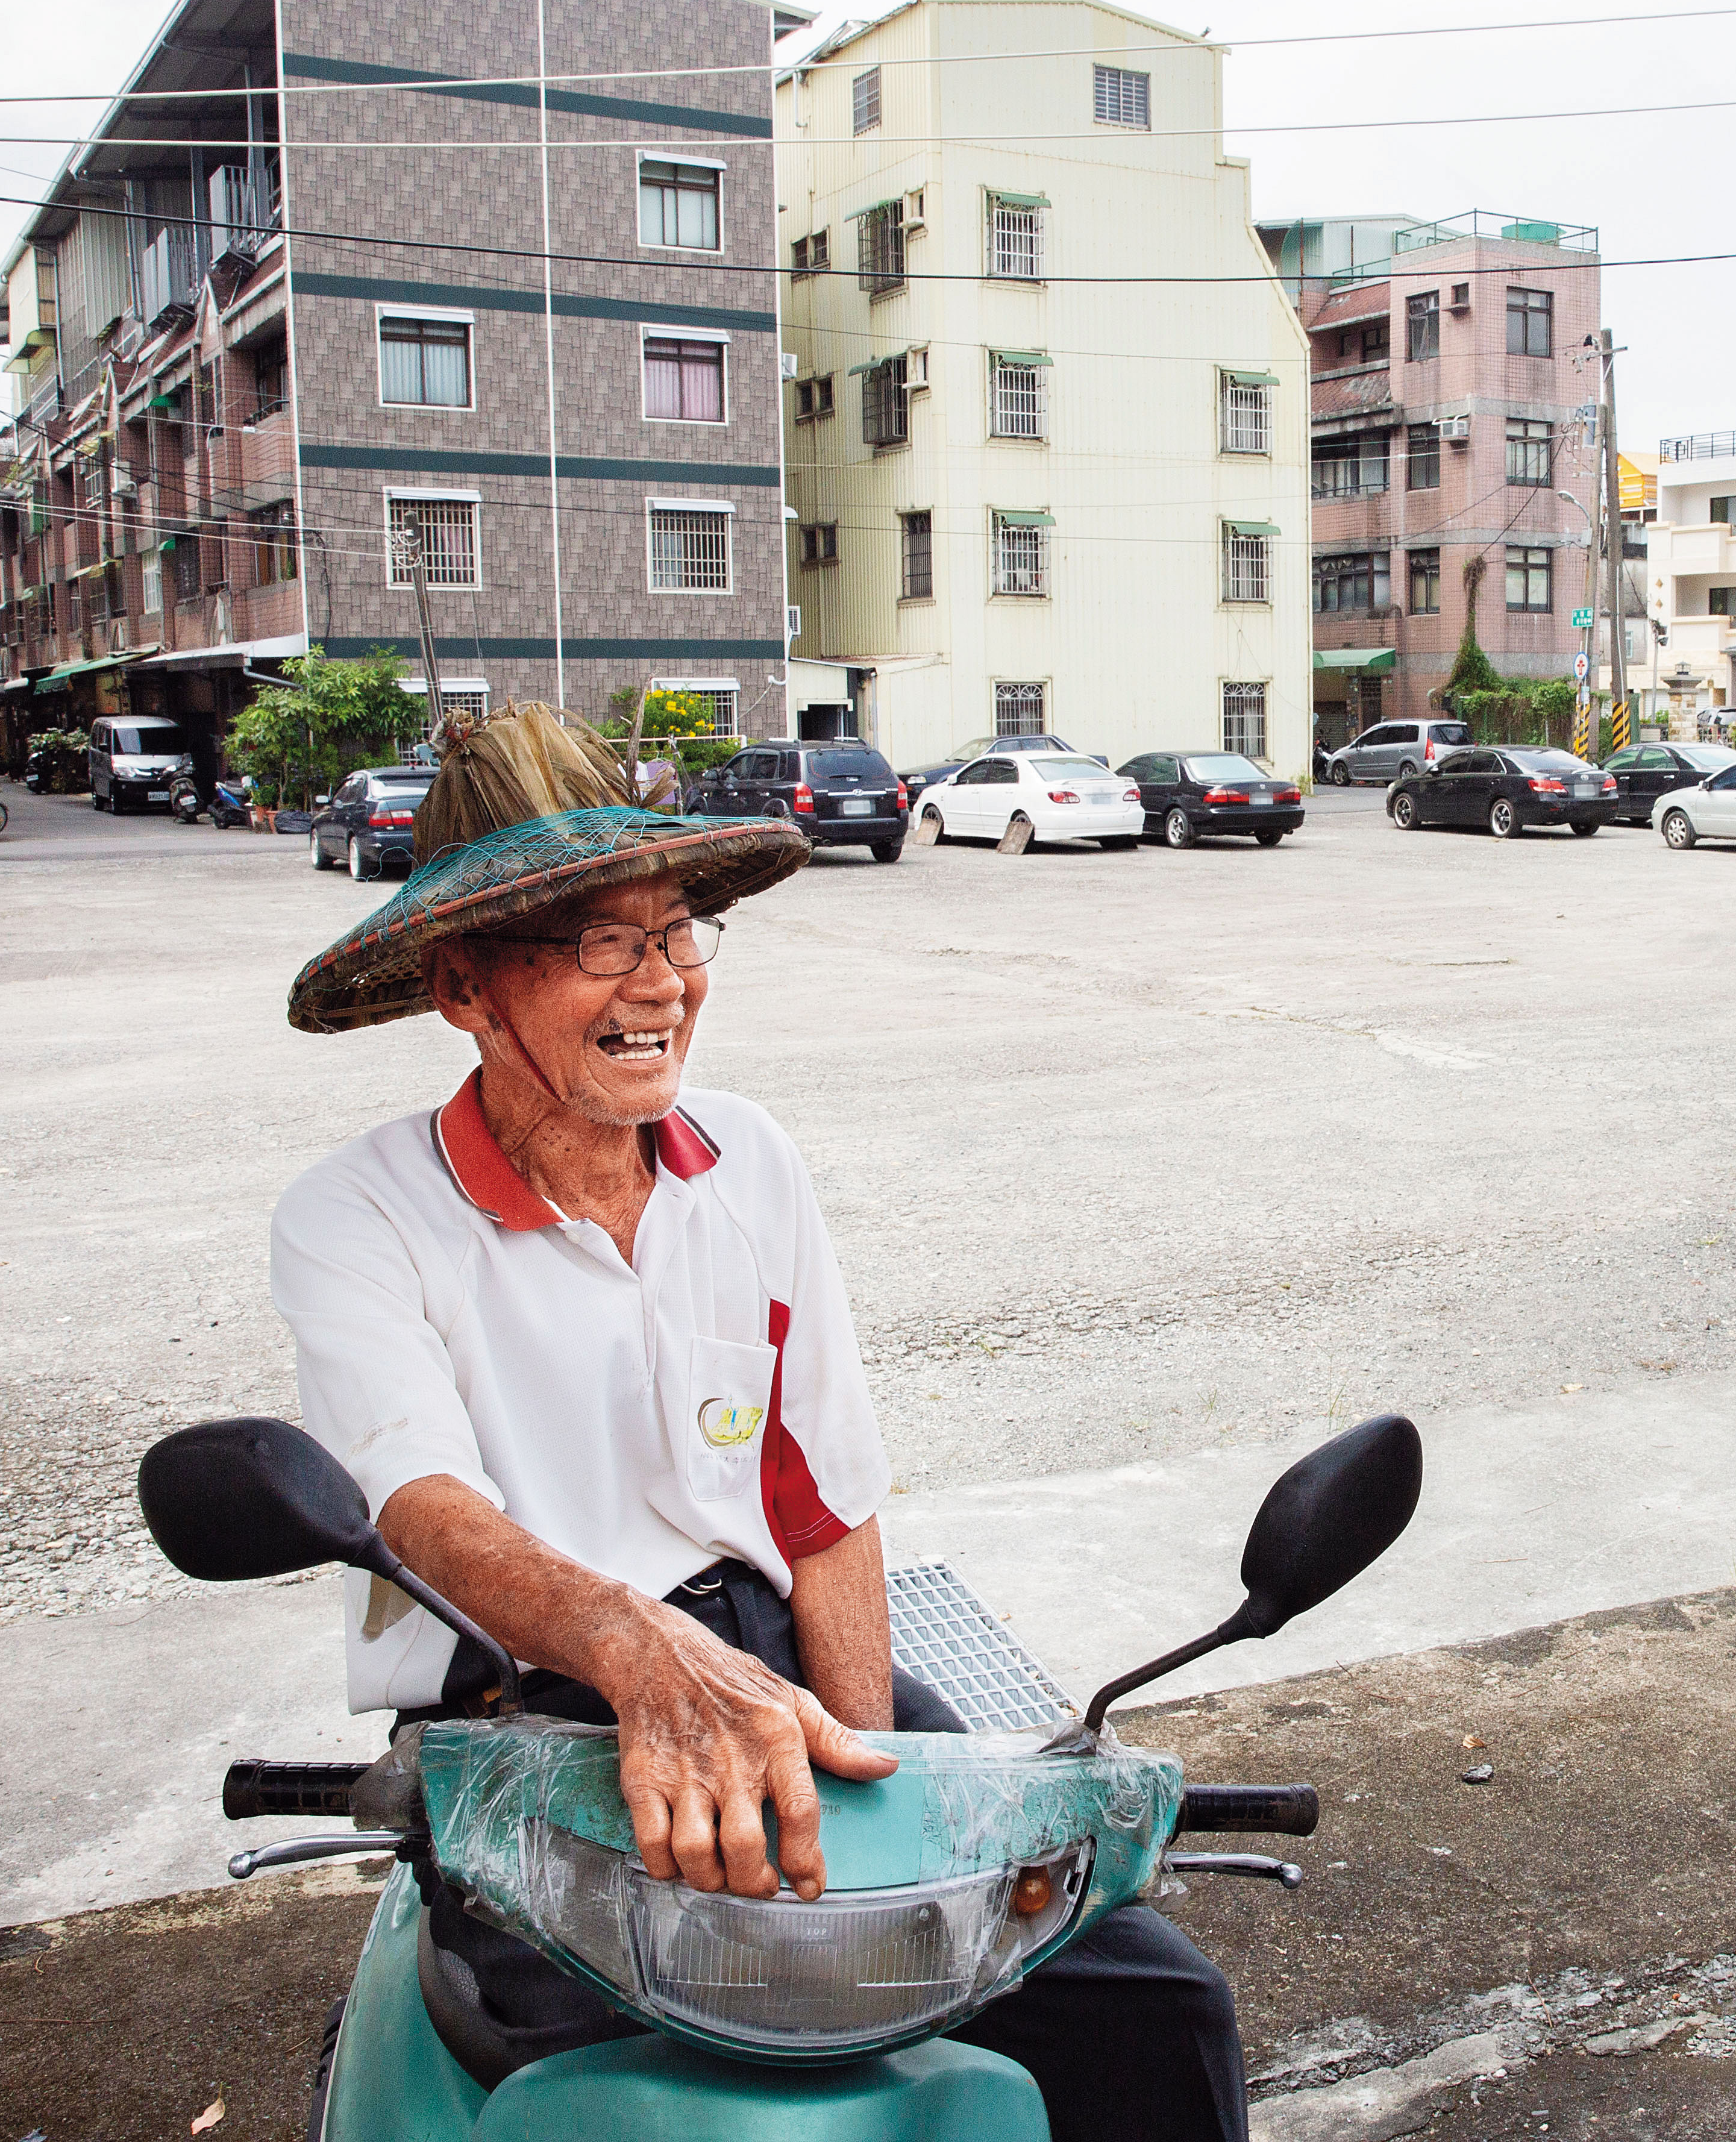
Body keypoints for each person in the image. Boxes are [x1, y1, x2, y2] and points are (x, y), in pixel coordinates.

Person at [271, 704, 1244, 2137]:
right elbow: (421, 1509)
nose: (663, 982)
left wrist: (873, 1807)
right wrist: (640, 1654)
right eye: (601, 941)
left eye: (676, 932)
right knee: (629, 2091)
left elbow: (823, 1509)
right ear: (465, 987)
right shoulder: (358, 1216)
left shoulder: (751, 1162)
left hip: (785, 1666)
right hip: (537, 1710)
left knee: (1152, 2008)